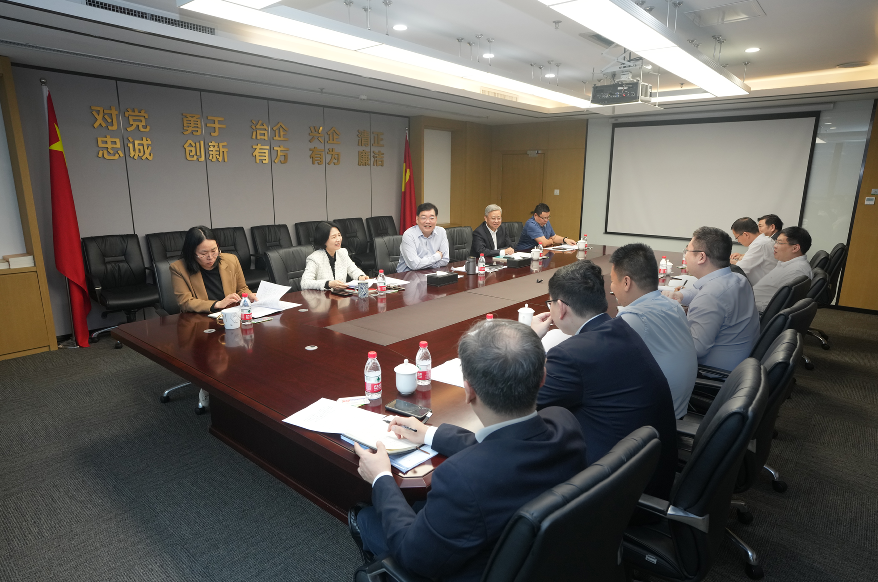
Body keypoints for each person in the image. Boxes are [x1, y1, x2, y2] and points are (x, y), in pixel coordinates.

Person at [350, 319, 587, 581]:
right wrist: (428, 433)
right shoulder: (564, 423)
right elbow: (503, 448)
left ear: (468, 391)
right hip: (541, 560)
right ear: (542, 377)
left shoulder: (461, 479)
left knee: (366, 516)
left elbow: (412, 556)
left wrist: (381, 478)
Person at [530, 260, 677, 500]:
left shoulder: (571, 355)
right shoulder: (621, 328)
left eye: (551, 303)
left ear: (561, 307)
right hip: (650, 472)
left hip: (616, 493)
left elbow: (521, 400)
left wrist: (529, 338)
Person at [170, 225, 258, 411]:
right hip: (200, 323)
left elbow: (241, 288)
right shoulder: (178, 268)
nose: (210, 257)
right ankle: (207, 383)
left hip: (230, 318)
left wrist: (249, 295)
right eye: (203, 253)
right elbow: (185, 302)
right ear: (191, 252)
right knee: (213, 352)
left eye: (214, 250)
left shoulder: (231, 260)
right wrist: (217, 304)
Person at [609, 244, 698, 420]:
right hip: (678, 408)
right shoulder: (674, 306)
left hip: (652, 420)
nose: (612, 287)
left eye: (613, 281)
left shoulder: (632, 319)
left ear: (626, 282)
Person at [663, 227, 760, 371]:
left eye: (687, 251)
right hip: (742, 365)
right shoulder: (737, 278)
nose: (685, 255)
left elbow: (693, 350)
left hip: (712, 372)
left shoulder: (710, 297)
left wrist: (667, 320)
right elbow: (700, 291)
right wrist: (680, 295)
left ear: (701, 257)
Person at [752, 226, 813, 312]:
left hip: (753, 310)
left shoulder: (796, 271)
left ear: (795, 248)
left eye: (779, 243)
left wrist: (745, 303)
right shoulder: (787, 263)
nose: (774, 246)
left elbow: (777, 307)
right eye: (776, 242)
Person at [300, 221, 368, 290]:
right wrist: (328, 284)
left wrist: (360, 276)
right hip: (324, 296)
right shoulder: (314, 258)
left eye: (339, 235)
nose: (338, 239)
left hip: (341, 295)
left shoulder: (342, 252)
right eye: (334, 237)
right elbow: (304, 283)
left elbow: (353, 270)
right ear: (323, 240)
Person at [397, 202, 449, 272]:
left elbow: (445, 260)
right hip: (407, 275)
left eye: (431, 218)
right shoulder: (409, 235)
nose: (428, 221)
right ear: (417, 219)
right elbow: (414, 265)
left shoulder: (441, 232)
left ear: (436, 219)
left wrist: (422, 264)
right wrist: (437, 256)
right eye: (423, 218)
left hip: (431, 273)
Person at [729, 217, 777, 284]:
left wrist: (727, 261)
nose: (738, 241)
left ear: (746, 234)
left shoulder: (759, 244)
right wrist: (741, 256)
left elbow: (741, 268)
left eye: (737, 237)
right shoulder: (763, 240)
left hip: (763, 286)